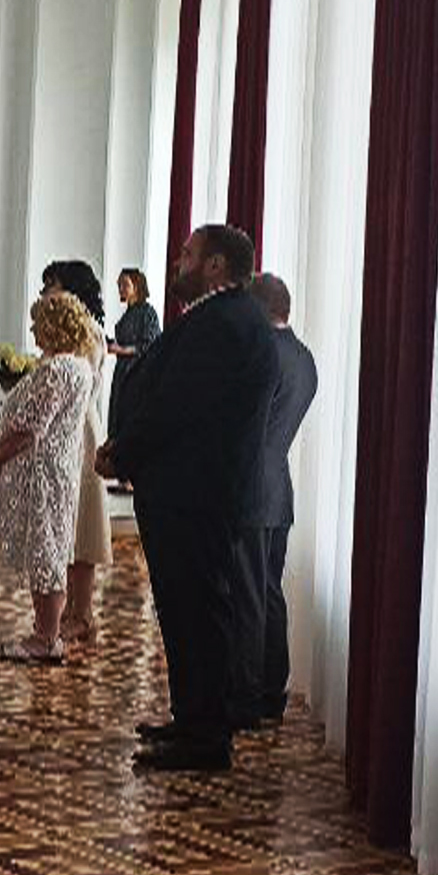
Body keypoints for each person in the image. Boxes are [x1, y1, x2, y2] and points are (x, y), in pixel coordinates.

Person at [96, 224, 278, 772]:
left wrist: (122, 453)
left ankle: (205, 736)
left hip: (195, 495)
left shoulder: (224, 323)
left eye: (189, 254)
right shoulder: (229, 318)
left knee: (197, 615)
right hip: (194, 492)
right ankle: (193, 719)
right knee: (185, 613)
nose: (180, 261)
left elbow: (176, 405)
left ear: (216, 265)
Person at [0, 293, 97, 664]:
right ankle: (46, 632)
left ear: (54, 326)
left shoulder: (57, 370)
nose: (32, 328)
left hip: (42, 476)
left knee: (45, 551)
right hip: (57, 471)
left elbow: (28, 430)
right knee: (50, 548)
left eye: (38, 321)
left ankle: (45, 638)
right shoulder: (79, 366)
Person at [245, 272, 317, 726]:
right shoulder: (305, 358)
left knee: (249, 595)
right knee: (269, 592)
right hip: (278, 488)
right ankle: (272, 687)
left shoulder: (259, 354)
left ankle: (250, 690)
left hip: (248, 488)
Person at [39, 261, 114, 645]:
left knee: (82, 523)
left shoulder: (88, 332)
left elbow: (74, 381)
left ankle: (83, 613)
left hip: (81, 431)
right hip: (66, 428)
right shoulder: (70, 330)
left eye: (52, 285)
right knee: (66, 522)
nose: (46, 293)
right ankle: (71, 609)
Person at [106, 267, 162, 491]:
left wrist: (120, 349)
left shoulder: (148, 312)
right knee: (118, 419)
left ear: (136, 286)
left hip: (137, 374)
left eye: (124, 284)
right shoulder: (128, 314)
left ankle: (132, 477)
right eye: (119, 285)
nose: (120, 289)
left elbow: (150, 344)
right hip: (122, 373)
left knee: (131, 419)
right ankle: (123, 475)